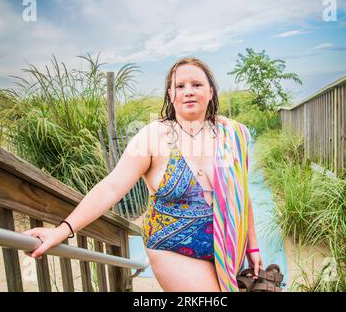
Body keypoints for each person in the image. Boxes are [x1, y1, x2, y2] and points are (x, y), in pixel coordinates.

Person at [23, 57, 262, 292]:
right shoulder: (152, 137)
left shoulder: (231, 134)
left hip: (228, 247)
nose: (188, 91)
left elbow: (240, 195)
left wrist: (253, 248)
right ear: (171, 95)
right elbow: (112, 187)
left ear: (210, 92)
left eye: (197, 84)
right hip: (172, 249)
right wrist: (61, 231)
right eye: (180, 86)